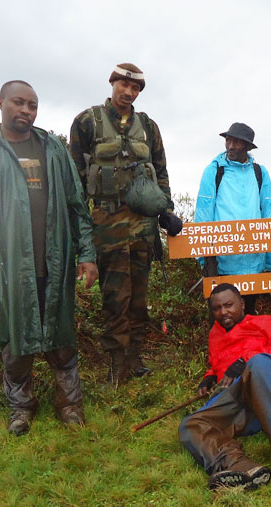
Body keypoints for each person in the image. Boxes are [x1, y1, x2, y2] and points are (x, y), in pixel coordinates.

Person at [0, 80, 99, 436]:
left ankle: (69, 403)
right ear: (1, 102)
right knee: (15, 341)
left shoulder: (52, 148)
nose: (26, 110)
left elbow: (77, 205)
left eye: (32, 105)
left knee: (62, 336)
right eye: (19, 103)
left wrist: (87, 254)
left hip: (55, 260)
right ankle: (20, 407)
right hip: (7, 266)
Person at [69, 63, 182, 387]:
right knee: (115, 298)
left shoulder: (148, 126)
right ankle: (116, 366)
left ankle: (135, 359)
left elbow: (160, 171)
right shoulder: (87, 121)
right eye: (124, 85)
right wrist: (80, 228)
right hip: (107, 222)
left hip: (143, 226)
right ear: (113, 83)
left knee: (138, 298)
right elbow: (74, 178)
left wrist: (165, 209)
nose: (129, 92)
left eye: (135, 88)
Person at [179, 284, 271, 490]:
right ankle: (239, 466)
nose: (223, 312)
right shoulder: (215, 334)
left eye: (228, 305)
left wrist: (246, 360)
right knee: (190, 425)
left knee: (259, 363)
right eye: (217, 308)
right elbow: (218, 365)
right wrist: (210, 377)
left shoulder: (268, 322)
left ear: (242, 304)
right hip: (240, 402)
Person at [194, 123, 271, 315]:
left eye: (237, 142)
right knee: (225, 315)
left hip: (254, 260)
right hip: (223, 261)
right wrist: (203, 257)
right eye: (228, 140)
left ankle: (247, 346)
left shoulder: (260, 172)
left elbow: (269, 212)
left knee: (248, 312)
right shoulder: (214, 171)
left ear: (247, 147)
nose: (231, 146)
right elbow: (203, 212)